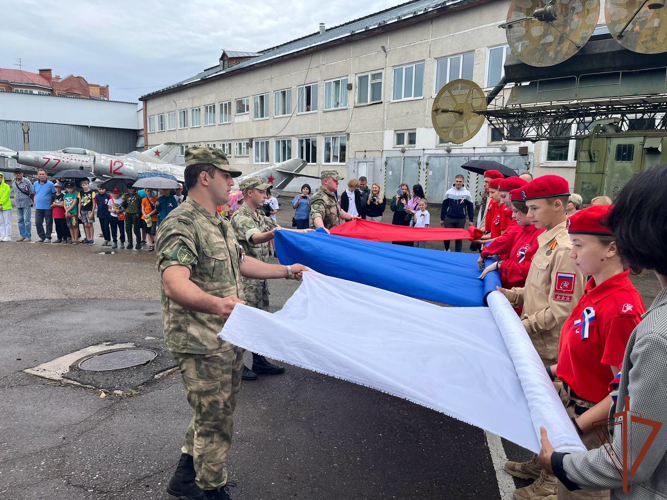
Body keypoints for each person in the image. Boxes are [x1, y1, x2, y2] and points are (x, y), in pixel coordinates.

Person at [157, 146, 306, 500]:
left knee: (213, 411)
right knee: (216, 419)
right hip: (199, 340)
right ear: (205, 177)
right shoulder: (181, 223)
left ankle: (184, 478)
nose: (231, 182)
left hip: (227, 335)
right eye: (227, 175)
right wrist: (216, 304)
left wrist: (287, 270)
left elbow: (243, 264)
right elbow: (174, 281)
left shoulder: (220, 222)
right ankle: (211, 489)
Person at [538, 166, 667, 500]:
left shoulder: (635, 318)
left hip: (592, 426)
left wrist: (571, 440)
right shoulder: (596, 290)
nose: (572, 252)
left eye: (578, 244)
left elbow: (620, 395)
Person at [498, 175, 586, 499]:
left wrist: (522, 326)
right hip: (536, 342)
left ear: (557, 205)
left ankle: (551, 483)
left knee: (555, 413)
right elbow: (538, 293)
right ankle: (540, 462)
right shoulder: (546, 241)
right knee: (537, 409)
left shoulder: (564, 250)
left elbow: (560, 310)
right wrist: (512, 295)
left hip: (550, 348)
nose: (529, 214)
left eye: (535, 208)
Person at [232, 176, 310, 380]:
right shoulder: (241, 216)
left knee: (259, 319)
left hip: (260, 276)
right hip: (246, 279)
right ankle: (237, 366)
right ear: (250, 193)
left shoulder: (259, 215)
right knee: (244, 321)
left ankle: (259, 361)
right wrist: (272, 234)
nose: (265, 196)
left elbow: (280, 231)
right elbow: (255, 237)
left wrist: (305, 232)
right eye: (261, 192)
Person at [479, 186, 543, 293]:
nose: (513, 215)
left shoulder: (540, 235)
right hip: (513, 292)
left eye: (516, 211)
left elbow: (530, 269)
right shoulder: (523, 230)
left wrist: (501, 264)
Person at [440, 174, 474, 252]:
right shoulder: (449, 192)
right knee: (446, 236)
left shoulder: (467, 193)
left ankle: (458, 252)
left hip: (461, 219)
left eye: (460, 181)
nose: (458, 183)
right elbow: (444, 206)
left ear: (463, 182)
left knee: (459, 237)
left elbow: (470, 207)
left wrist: (471, 220)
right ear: (454, 181)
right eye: (457, 181)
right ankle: (446, 248)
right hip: (449, 217)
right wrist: (442, 218)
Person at [33, 169, 55, 243]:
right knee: (38, 222)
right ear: (38, 175)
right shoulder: (35, 184)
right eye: (40, 174)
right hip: (38, 207)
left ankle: (48, 237)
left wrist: (52, 203)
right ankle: (42, 236)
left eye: (43, 174)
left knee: (48, 223)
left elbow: (54, 194)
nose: (41, 176)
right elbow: (34, 193)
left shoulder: (50, 184)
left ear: (46, 175)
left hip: (48, 207)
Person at [12, 168, 34, 242]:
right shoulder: (13, 181)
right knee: (20, 220)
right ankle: (22, 235)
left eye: (19, 173)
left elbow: (32, 192)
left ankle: (28, 236)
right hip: (18, 204)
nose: (18, 174)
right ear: (14, 174)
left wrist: (32, 201)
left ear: (22, 173)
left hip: (26, 203)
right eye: (16, 173)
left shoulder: (26, 181)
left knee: (26, 220)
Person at [122, 184, 142, 250]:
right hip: (128, 213)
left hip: (135, 214)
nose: (131, 190)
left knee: (136, 229)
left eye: (132, 188)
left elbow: (140, 205)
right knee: (128, 229)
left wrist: (138, 213)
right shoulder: (126, 196)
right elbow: (124, 206)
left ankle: (138, 242)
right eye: (129, 188)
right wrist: (123, 199)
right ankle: (130, 243)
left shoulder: (138, 196)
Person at [79, 180, 97, 244]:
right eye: (83, 185)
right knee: (85, 224)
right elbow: (79, 203)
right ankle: (88, 237)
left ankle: (91, 238)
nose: (85, 186)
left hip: (89, 210)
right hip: (83, 210)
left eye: (86, 185)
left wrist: (92, 212)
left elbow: (94, 203)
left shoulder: (92, 192)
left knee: (90, 224)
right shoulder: (80, 192)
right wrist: (79, 212)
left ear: (88, 184)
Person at [0, 172, 12, 242]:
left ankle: (8, 236)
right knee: (1, 222)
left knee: (7, 222)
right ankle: (2, 235)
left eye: (0, 177)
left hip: (6, 206)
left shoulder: (6, 186)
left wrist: (0, 203)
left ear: (2, 178)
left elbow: (6, 196)